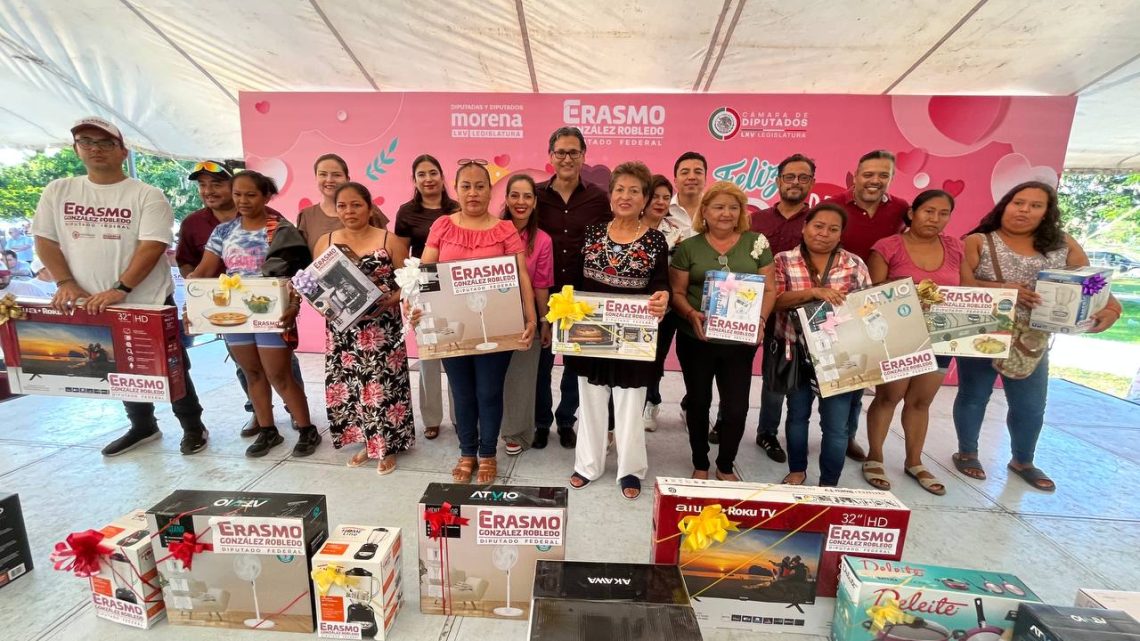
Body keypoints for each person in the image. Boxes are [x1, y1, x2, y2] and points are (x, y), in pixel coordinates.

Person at [32, 116, 209, 456]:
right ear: (76, 149)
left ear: (122, 151)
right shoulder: (59, 190)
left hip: (145, 300)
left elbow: (152, 245)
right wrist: (66, 282)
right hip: (89, 302)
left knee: (169, 367)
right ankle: (142, 425)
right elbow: (45, 240)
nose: (96, 149)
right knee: (116, 365)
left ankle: (192, 425)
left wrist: (121, 288)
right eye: (87, 142)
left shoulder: (146, 194)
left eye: (105, 143)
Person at [952, 181, 1122, 492]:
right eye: (1018, 202)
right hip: (982, 329)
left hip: (1033, 339)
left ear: (1047, 213)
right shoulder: (979, 241)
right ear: (1005, 204)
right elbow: (959, 284)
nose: (1024, 210)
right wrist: (1004, 291)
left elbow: (1096, 288)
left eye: (1035, 205)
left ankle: (1023, 460)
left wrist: (1108, 313)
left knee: (1030, 404)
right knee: (974, 396)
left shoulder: (1064, 245)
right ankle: (967, 452)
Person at [418, 161, 537, 484]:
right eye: (466, 186)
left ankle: (487, 454)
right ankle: (467, 452)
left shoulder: (504, 229)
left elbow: (521, 275)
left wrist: (531, 317)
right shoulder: (442, 226)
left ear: (489, 190)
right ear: (456, 189)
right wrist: (414, 306)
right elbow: (426, 273)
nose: (473, 193)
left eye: (480, 186)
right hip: (451, 329)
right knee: (462, 392)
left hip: (496, 327)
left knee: (488, 391)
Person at [187, 170, 320, 458]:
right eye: (238, 194)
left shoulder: (280, 230)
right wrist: (192, 303)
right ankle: (268, 430)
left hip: (271, 313)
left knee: (279, 374)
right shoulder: (223, 232)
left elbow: (300, 276)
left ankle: (307, 428)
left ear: (266, 196)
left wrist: (294, 306)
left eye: (251, 194)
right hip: (234, 315)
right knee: (252, 373)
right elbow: (204, 271)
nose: (243, 201)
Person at [566, 161, 670, 500]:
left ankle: (630, 470)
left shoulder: (656, 241)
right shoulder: (594, 231)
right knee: (591, 401)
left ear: (645, 199)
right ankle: (587, 465)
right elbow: (578, 282)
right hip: (591, 333)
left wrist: (662, 298)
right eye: (620, 189)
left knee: (630, 404)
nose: (626, 196)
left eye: (634, 191)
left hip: (632, 338)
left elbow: (660, 285)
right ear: (611, 196)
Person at [670, 181, 776, 481]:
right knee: (699, 402)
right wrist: (691, 314)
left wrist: (762, 321)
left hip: (739, 343)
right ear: (704, 211)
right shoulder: (689, 247)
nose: (725, 213)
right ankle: (700, 462)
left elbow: (770, 289)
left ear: (741, 212)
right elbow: (677, 293)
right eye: (718, 207)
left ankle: (726, 464)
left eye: (733, 207)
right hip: (696, 340)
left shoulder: (757, 243)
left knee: (736, 408)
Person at [864, 190, 965, 495]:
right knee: (888, 397)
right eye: (928, 211)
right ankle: (875, 456)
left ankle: (914, 461)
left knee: (922, 401)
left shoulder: (956, 247)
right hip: (898, 335)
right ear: (912, 213)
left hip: (941, 338)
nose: (935, 219)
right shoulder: (888, 246)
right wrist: (910, 292)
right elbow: (871, 294)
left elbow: (969, 289)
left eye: (943, 213)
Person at [313, 182, 413, 474]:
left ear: (370, 207)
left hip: (381, 330)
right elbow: (315, 284)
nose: (349, 211)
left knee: (382, 387)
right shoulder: (325, 241)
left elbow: (408, 283)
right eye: (342, 205)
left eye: (356, 204)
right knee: (352, 386)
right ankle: (366, 442)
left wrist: (389, 299)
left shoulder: (389, 240)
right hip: (343, 332)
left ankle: (386, 446)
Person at [772, 203, 869, 486]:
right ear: (804, 227)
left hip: (842, 356)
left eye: (833, 229)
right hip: (797, 350)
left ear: (841, 234)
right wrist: (814, 293)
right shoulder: (783, 260)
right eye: (818, 226)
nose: (824, 233)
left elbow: (868, 309)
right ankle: (797, 470)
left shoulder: (855, 265)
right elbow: (775, 300)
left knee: (836, 426)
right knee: (797, 415)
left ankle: (829, 482)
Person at [828, 149, 910, 464]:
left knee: (859, 374)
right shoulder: (834, 205)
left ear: (890, 178)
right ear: (856, 175)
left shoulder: (902, 209)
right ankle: (778, 430)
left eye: (883, 175)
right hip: (835, 300)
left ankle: (846, 436)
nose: (875, 181)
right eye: (869, 174)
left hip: (876, 301)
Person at [534, 127, 611, 449]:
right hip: (543, 293)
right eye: (561, 152)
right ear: (550, 156)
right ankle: (540, 423)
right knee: (541, 364)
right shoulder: (534, 195)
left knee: (575, 366)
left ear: (583, 156)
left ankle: (567, 420)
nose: (567, 158)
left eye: (573, 152)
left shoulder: (597, 198)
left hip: (582, 295)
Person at [750, 153, 817, 463]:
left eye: (803, 178)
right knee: (737, 370)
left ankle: (775, 432)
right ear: (777, 181)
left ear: (811, 183)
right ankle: (731, 422)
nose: (795, 183)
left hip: (798, 314)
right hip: (752, 309)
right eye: (789, 177)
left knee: (784, 379)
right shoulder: (756, 220)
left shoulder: (817, 222)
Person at [394, 154, 460, 440]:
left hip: (453, 286)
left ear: (442, 176)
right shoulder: (406, 212)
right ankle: (432, 417)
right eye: (422, 174)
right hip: (421, 287)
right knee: (429, 355)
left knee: (457, 352)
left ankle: (460, 416)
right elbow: (400, 256)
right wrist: (406, 293)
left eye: (433, 172)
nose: (428, 179)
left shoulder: (456, 208)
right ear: (414, 180)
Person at [499, 174, 554, 454]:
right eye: (515, 195)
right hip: (491, 317)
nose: (521, 202)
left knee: (521, 378)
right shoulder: (491, 230)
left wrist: (544, 321)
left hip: (526, 317)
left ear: (534, 202)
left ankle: (516, 432)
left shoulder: (542, 240)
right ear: (506, 199)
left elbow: (541, 285)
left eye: (527, 196)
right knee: (492, 377)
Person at [642, 174, 681, 430]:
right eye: (655, 196)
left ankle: (651, 401)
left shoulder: (676, 233)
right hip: (631, 307)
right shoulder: (628, 226)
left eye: (666, 197)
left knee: (656, 358)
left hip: (663, 309)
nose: (660, 202)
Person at [296, 153, 389, 254]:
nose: (329, 180)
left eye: (336, 175)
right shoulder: (307, 215)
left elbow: (386, 248)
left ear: (347, 179)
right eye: (323, 174)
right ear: (316, 178)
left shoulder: (368, 210)